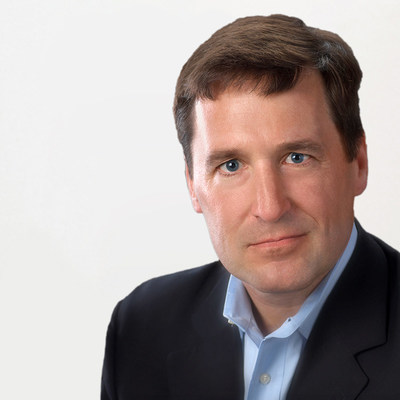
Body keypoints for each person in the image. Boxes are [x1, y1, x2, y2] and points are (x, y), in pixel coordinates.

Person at [101, 14, 400, 400]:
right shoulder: (141, 329)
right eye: (231, 165)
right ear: (193, 185)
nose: (270, 207)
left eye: (297, 157)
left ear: (358, 162)